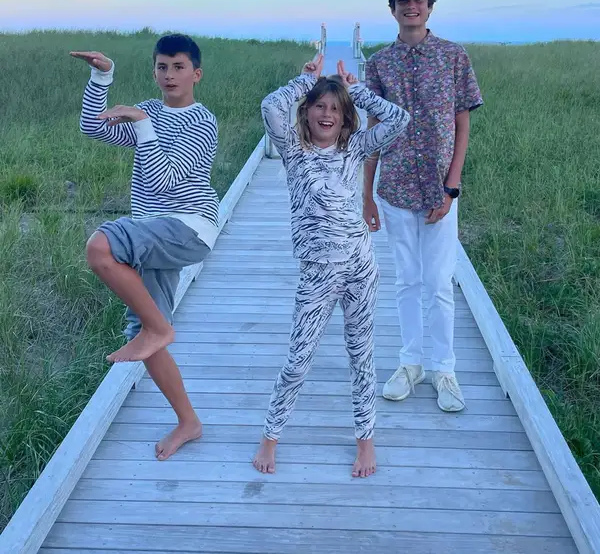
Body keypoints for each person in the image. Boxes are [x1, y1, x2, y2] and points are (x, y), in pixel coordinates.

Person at [252, 53, 410, 477]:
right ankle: (270, 437)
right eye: (320, 106)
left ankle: (365, 443)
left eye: (336, 109)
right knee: (298, 360)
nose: (327, 114)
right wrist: (305, 81)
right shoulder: (293, 150)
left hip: (360, 265)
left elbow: (399, 120)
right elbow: (270, 107)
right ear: (306, 112)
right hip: (318, 273)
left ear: (346, 118)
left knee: (362, 355)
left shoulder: (355, 148)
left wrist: (354, 89)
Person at [71, 33, 219, 460]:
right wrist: (104, 77)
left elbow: (165, 182)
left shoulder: (201, 122)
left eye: (177, 67)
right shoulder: (148, 112)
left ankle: (158, 327)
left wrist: (143, 124)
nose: (168, 75)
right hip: (152, 233)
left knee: (101, 246)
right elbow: (91, 127)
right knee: (145, 334)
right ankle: (188, 421)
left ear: (196, 73)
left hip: (188, 227)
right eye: (161, 67)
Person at [363, 0, 483, 412]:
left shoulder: (453, 56)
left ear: (431, 5)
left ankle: (443, 368)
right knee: (406, 280)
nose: (411, 6)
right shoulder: (378, 64)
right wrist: (366, 193)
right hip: (394, 188)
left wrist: (452, 185)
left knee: (439, 282)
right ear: (392, 8)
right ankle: (410, 362)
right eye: (403, 0)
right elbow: (373, 130)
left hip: (439, 190)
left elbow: (462, 120)